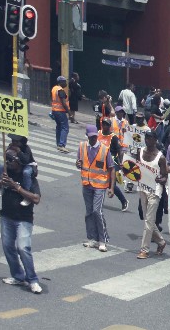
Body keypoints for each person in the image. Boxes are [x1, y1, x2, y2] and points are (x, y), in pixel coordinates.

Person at [0, 147, 43, 294]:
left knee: (23, 248)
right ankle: (18, 276)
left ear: (19, 162)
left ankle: (32, 280)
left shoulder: (29, 177)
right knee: (8, 247)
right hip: (6, 216)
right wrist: (1, 182)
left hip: (24, 219)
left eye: (11, 160)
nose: (8, 162)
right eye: (6, 159)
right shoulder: (6, 172)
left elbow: (36, 198)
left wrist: (16, 187)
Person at [77, 124, 115, 252]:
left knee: (96, 211)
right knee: (89, 213)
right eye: (91, 137)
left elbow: (111, 168)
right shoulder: (82, 147)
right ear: (87, 136)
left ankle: (103, 240)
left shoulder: (104, 149)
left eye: (95, 137)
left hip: (100, 185)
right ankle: (92, 239)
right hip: (87, 184)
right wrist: (77, 164)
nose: (93, 139)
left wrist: (112, 187)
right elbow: (80, 163)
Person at [136, 130, 168, 259]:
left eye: (151, 138)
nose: (148, 140)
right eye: (146, 138)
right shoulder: (140, 152)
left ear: (155, 140)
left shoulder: (161, 157)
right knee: (147, 219)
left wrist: (160, 179)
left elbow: (165, 177)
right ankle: (161, 241)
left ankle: (144, 249)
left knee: (149, 221)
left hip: (154, 191)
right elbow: (137, 168)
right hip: (142, 188)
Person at [51, 76, 70, 153]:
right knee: (65, 127)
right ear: (61, 82)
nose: (66, 83)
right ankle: (61, 145)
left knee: (59, 127)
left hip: (54, 110)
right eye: (64, 81)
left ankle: (58, 143)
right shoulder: (60, 90)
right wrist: (69, 113)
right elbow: (63, 103)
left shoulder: (54, 88)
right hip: (60, 111)